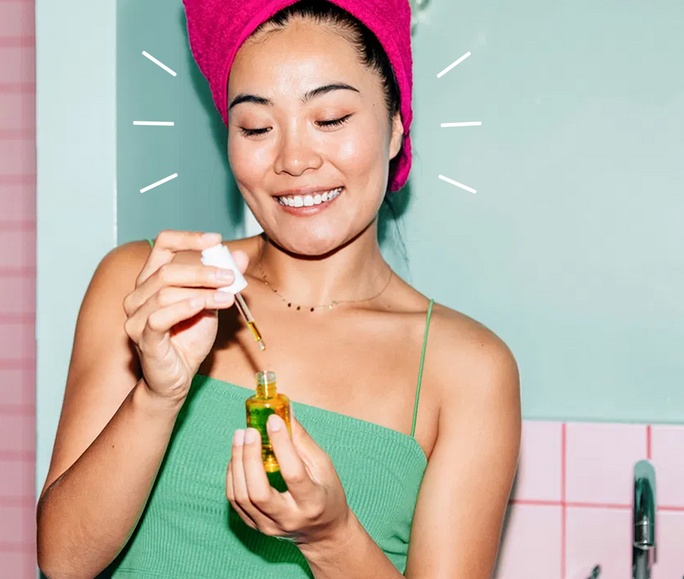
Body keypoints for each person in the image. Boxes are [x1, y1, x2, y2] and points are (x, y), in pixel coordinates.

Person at [36, 1, 521, 577]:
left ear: (395, 125)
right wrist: (157, 394)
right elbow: (64, 560)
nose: (293, 159)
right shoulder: (145, 289)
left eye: (332, 118)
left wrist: (332, 538)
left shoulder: (469, 368)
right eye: (257, 127)